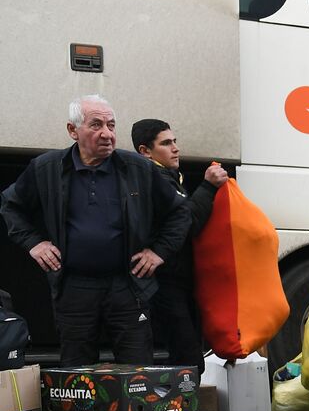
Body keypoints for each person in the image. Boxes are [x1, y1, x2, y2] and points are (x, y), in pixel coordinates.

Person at [1, 95, 190, 366]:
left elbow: (180, 212)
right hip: (74, 286)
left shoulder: (138, 168)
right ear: (72, 130)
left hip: (128, 284)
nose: (107, 134)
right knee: (77, 371)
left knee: (137, 370)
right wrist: (35, 243)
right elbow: (10, 206)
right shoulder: (47, 168)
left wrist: (159, 251)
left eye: (111, 126)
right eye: (97, 125)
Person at [130, 118, 228, 411]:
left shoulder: (168, 178)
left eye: (175, 141)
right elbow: (187, 221)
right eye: (166, 143)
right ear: (145, 151)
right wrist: (209, 187)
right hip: (164, 285)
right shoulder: (153, 179)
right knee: (184, 357)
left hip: (180, 283)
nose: (176, 148)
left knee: (188, 357)